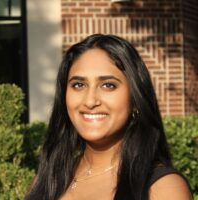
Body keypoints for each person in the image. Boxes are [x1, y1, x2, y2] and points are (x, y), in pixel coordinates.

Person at [25, 34, 192, 200]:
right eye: (79, 85)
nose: (90, 101)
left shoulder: (162, 188)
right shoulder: (46, 181)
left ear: (135, 99)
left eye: (108, 85)